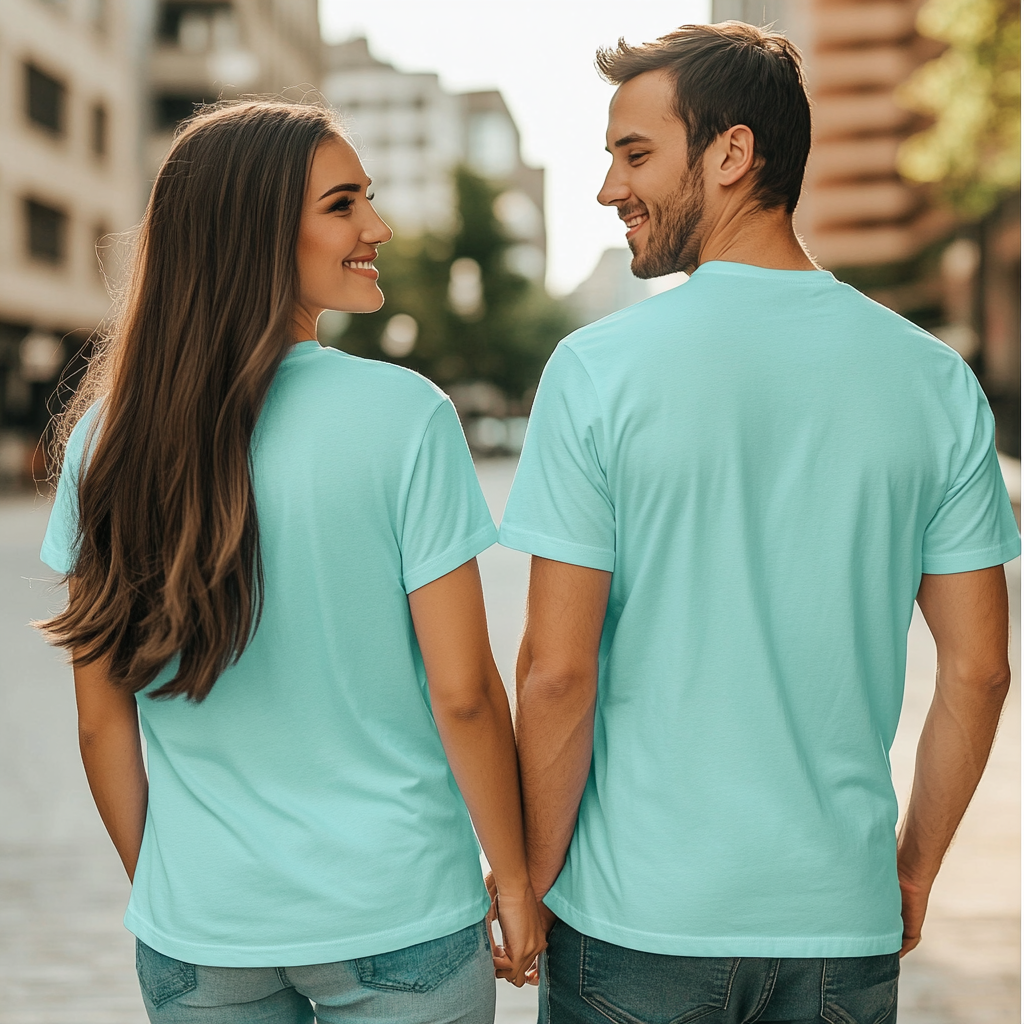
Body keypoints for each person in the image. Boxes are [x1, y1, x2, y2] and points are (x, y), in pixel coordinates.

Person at [498, 22, 1020, 1024]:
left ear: (732, 154)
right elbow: (979, 668)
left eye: (634, 153)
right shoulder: (932, 383)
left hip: (633, 921)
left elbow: (556, 672)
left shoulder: (598, 371)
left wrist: (532, 877)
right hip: (837, 921)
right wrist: (907, 870)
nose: (610, 188)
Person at [37, 101, 545, 1023]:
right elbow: (463, 691)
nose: (376, 227)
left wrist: (181, 893)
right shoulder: (407, 416)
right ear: (257, 230)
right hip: (400, 912)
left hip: (202, 929)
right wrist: (513, 879)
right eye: (344, 205)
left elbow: (98, 722)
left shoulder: (105, 440)